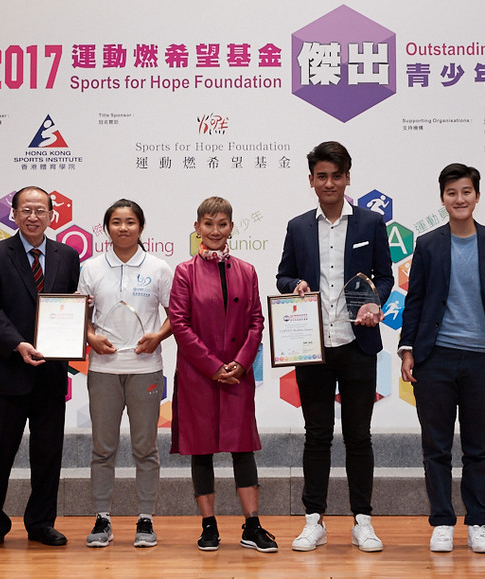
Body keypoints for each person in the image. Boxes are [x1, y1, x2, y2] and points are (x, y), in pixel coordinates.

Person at [276, 141, 393, 553]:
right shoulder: (297, 226)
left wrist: (376, 301)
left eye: (336, 175)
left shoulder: (370, 223)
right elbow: (282, 277)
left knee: (359, 435)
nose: (329, 183)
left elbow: (385, 276)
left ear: (347, 178)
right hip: (312, 346)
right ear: (311, 181)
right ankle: (314, 520)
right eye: (321, 176)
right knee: (317, 435)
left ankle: (363, 520)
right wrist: (296, 286)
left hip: (358, 343)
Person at [399, 163, 485, 554]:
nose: (459, 199)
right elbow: (414, 300)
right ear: (442, 199)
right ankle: (443, 521)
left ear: (477, 196)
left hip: (484, 359)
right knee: (435, 446)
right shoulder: (428, 243)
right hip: (437, 358)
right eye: (452, 193)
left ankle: (479, 521)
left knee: (479, 447)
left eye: (466, 192)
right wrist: (408, 349)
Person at [168, 196, 278, 553]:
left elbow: (256, 321)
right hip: (199, 376)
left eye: (222, 224)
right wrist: (213, 366)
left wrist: (242, 363)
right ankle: (209, 526)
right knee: (201, 451)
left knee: (242, 448)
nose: (215, 231)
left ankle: (252, 526)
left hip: (237, 375)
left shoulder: (246, 271)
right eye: (208, 224)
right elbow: (180, 324)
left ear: (231, 228)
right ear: (197, 227)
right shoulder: (185, 272)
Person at [0, 186, 80, 551]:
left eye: (40, 210)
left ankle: (40, 523)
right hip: (6, 371)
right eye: (26, 210)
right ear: (13, 215)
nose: (33, 216)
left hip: (50, 374)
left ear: (52, 214)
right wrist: (17, 344)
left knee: (48, 455)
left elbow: (64, 307)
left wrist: (83, 310)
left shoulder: (67, 255)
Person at [77, 199, 173, 548]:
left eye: (130, 222)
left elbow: (176, 314)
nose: (123, 228)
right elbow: (77, 316)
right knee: (103, 448)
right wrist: (89, 337)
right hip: (103, 369)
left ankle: (145, 519)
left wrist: (157, 337)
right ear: (107, 229)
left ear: (141, 228)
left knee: (145, 448)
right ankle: (102, 518)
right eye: (116, 222)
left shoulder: (159, 268)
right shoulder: (90, 268)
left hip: (146, 368)